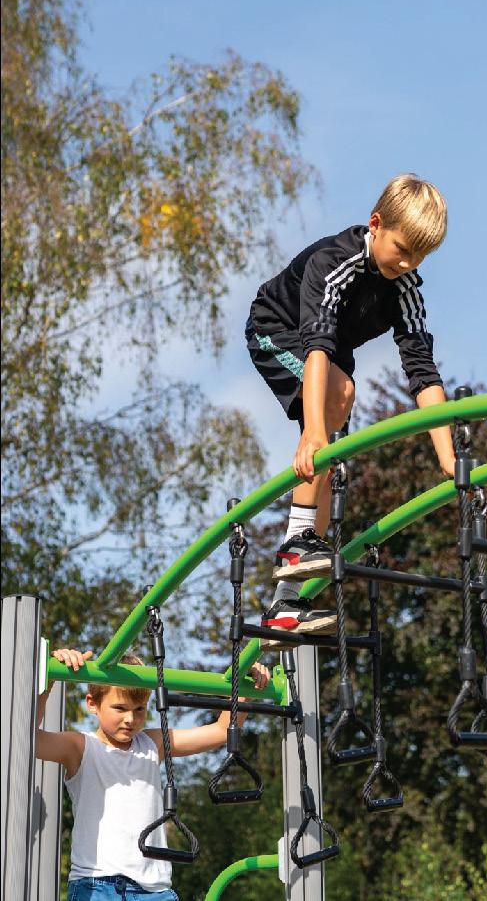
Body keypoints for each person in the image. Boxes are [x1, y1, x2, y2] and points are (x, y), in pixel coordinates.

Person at [245, 173, 455, 639]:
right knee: (336, 406)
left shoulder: (405, 287)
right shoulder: (336, 262)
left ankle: (286, 605)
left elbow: (422, 370)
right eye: (403, 248)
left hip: (330, 356)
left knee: (330, 464)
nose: (408, 263)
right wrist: (312, 430)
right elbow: (316, 344)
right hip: (277, 331)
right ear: (375, 224)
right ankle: (298, 544)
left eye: (420, 256)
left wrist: (448, 458)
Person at [36, 646, 270, 901]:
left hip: (154, 889)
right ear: (93, 704)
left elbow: (220, 731)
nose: (130, 719)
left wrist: (244, 686)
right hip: (98, 884)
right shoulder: (81, 747)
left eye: (139, 709)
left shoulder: (151, 744)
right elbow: (31, 739)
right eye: (120, 708)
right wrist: (49, 679)